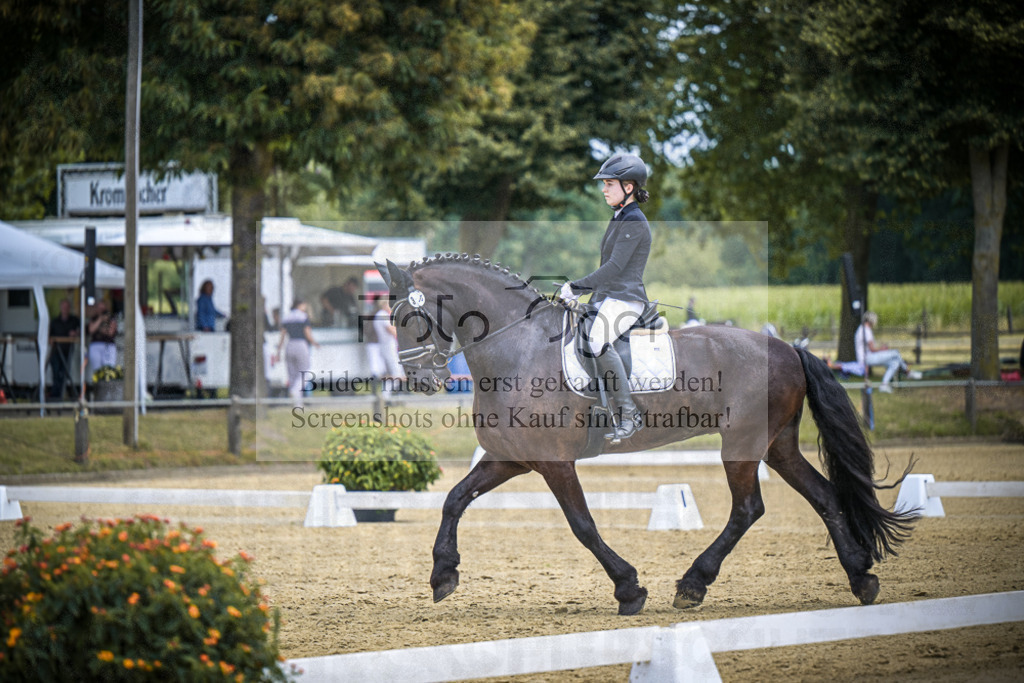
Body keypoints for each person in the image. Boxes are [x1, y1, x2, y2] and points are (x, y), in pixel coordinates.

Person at [561, 153, 652, 443]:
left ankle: (629, 414)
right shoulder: (620, 217)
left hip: (626, 298)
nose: (604, 189)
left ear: (629, 187)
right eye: (605, 184)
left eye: (610, 184)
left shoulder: (634, 221)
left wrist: (576, 286)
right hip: (608, 297)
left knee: (598, 340)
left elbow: (613, 269)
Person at [855, 311, 921, 392]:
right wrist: (882, 349)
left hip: (866, 357)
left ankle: (884, 385)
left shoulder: (861, 329)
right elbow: (872, 349)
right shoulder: (866, 331)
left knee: (895, 362)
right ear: (871, 320)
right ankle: (907, 372)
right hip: (868, 358)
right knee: (895, 353)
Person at [276, 299, 320, 406]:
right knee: (304, 372)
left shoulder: (287, 318)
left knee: (292, 374)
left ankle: (297, 403)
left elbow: (282, 336)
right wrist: (314, 343)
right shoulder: (303, 317)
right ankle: (295, 391)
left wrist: (278, 351)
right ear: (300, 305)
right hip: (301, 344)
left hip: (290, 344)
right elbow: (307, 333)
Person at [366, 297, 405, 400]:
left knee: (393, 372)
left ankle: (387, 394)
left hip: (387, 346)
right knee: (397, 372)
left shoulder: (382, 315)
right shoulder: (382, 315)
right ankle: (387, 395)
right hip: (388, 346)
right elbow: (392, 331)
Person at [48, 298, 80, 399]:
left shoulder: (74, 320)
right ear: (60, 308)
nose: (65, 309)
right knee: (56, 373)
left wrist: (76, 333)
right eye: (63, 307)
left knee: (64, 373)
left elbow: (81, 331)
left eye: (67, 307)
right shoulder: (54, 321)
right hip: (56, 351)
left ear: (69, 308)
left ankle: (60, 395)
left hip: (67, 351)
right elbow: (49, 337)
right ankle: (55, 395)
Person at [87, 300, 118, 377]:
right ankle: (98, 387)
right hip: (95, 345)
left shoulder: (111, 317)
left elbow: (110, 332)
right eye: (99, 307)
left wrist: (101, 329)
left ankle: (107, 387)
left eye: (102, 308)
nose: (100, 309)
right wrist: (100, 319)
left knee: (108, 370)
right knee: (97, 371)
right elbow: (91, 330)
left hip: (108, 345)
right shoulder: (94, 318)